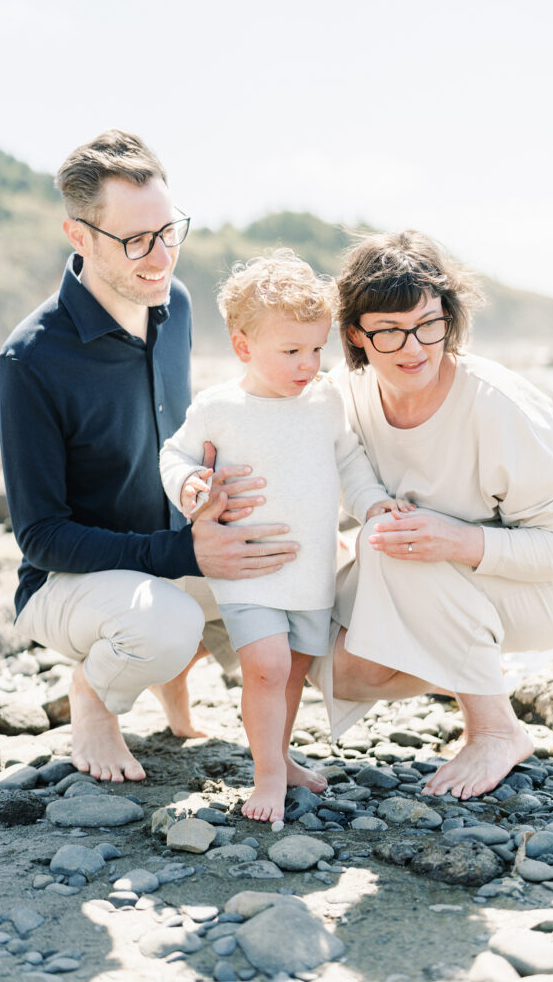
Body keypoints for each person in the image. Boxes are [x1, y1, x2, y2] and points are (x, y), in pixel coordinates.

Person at [0, 130, 299, 784]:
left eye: (169, 231)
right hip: (64, 584)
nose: (160, 256)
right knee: (168, 623)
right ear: (79, 237)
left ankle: (175, 687)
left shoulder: (176, 304)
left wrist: (205, 490)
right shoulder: (31, 361)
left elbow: (173, 439)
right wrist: (181, 556)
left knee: (296, 568)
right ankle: (93, 698)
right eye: (136, 240)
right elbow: (42, 537)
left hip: (166, 554)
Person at [308, 230, 553, 801]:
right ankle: (471, 668)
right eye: (389, 331)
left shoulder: (498, 404)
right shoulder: (346, 393)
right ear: (355, 333)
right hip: (434, 563)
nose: (414, 348)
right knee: (346, 670)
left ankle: (496, 728)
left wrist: (461, 542)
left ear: (448, 316)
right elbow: (339, 469)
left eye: (430, 323)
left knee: (397, 541)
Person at [160, 250, 413, 822]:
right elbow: (172, 455)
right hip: (248, 567)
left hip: (310, 570)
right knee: (268, 666)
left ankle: (280, 755)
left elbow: (349, 463)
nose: (308, 363)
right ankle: (267, 775)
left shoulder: (324, 401)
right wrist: (192, 485)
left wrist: (372, 505)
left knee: (295, 669)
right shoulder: (220, 407)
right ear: (244, 347)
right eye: (292, 351)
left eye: (317, 348)